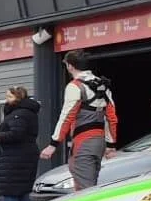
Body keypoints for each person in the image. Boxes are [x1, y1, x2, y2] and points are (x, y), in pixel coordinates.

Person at [42, 50, 117, 190]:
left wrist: (53, 144)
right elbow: (111, 118)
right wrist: (111, 146)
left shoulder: (75, 86)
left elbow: (67, 116)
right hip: (99, 142)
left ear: (70, 66)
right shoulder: (103, 85)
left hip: (83, 143)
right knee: (91, 183)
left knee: (84, 190)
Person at [0, 87, 41, 201]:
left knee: (11, 189)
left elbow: (16, 134)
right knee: (23, 189)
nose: (6, 100)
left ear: (18, 98)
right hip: (23, 155)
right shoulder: (26, 112)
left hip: (16, 156)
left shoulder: (19, 113)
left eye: (9, 97)